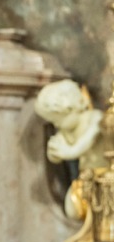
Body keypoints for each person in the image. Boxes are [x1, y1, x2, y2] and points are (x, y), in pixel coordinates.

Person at [34, 79, 107, 219]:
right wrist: (54, 154)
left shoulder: (94, 118)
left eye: (58, 120)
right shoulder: (66, 131)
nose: (56, 125)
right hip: (85, 179)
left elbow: (86, 141)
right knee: (73, 209)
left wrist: (70, 151)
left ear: (71, 108)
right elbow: (54, 151)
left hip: (106, 177)